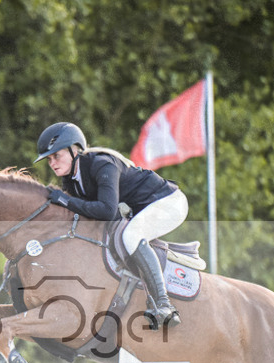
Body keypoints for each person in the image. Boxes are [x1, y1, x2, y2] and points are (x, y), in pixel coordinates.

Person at [34, 121, 188, 329]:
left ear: (74, 150)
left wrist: (65, 200)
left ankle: (164, 304)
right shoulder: (70, 178)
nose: (52, 163)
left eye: (56, 156)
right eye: (49, 159)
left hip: (168, 203)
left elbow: (106, 211)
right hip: (141, 210)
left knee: (131, 236)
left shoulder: (102, 164)